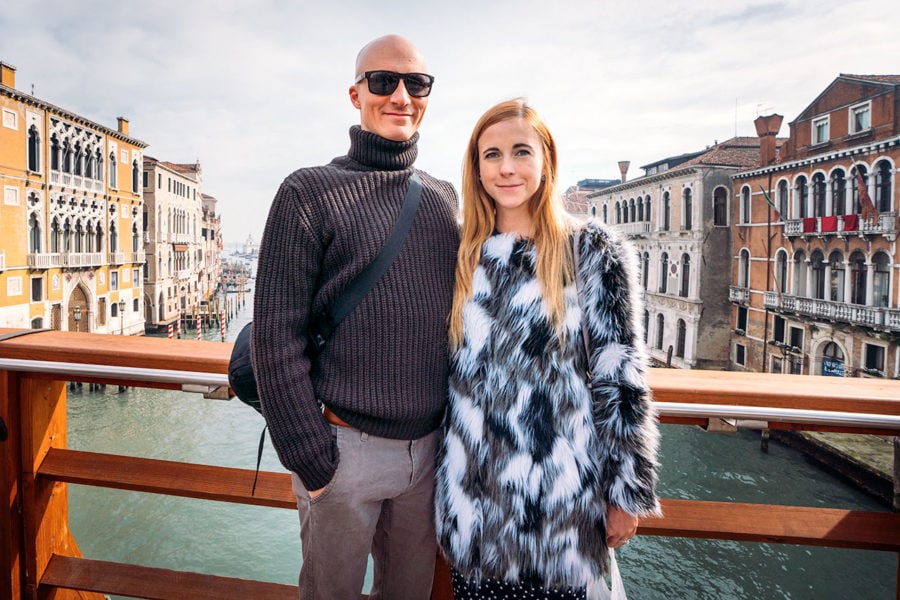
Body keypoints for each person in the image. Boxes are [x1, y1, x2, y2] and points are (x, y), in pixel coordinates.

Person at [252, 35, 459, 600]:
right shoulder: (307, 192)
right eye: (382, 81)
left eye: (416, 84)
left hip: (430, 454)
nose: (400, 96)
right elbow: (276, 336)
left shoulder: (445, 200)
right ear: (355, 93)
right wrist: (311, 458)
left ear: (428, 96)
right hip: (342, 452)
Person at [435, 99, 661, 599]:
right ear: (476, 168)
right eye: (491, 155)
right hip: (476, 513)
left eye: (521, 151)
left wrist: (626, 493)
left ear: (547, 160)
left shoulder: (593, 250)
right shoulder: (460, 253)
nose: (507, 167)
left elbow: (621, 374)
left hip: (565, 514)